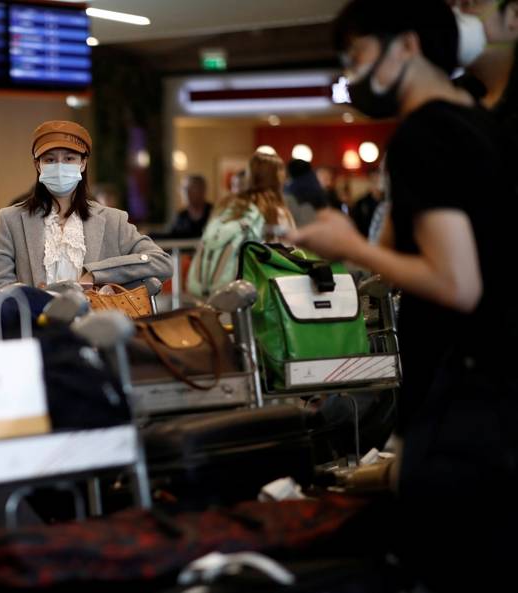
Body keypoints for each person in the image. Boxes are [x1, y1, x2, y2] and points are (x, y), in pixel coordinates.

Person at [289, 1, 518, 589]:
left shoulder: (425, 134)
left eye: (358, 55)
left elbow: (455, 282)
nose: (352, 73)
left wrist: (352, 245)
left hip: (458, 397)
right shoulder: (479, 121)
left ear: (407, 46)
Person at [0, 120, 172, 288]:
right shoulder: (9, 220)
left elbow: (161, 262)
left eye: (69, 159)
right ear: (38, 165)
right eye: (50, 160)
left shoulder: (112, 220)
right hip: (34, 323)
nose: (59, 166)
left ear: (83, 163)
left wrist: (96, 274)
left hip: (96, 322)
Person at [188, 151, 296, 297]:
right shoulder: (274, 211)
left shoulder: (228, 204)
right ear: (277, 178)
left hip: (219, 287)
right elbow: (288, 252)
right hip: (257, 291)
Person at [160, 174, 212, 239]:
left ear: (202, 190)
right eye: (184, 189)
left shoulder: (214, 213)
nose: (186, 192)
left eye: (192, 188)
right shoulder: (181, 217)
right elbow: (170, 236)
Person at [350, 169, 384, 236]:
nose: (377, 184)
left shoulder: (388, 203)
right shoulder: (360, 203)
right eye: (374, 181)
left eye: (379, 181)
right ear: (369, 182)